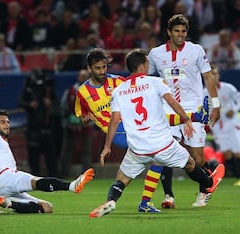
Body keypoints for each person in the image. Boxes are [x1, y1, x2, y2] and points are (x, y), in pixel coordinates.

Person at [88, 49, 225, 218]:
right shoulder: (155, 82)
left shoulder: (118, 91)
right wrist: (187, 119)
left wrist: (107, 147)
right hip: (163, 145)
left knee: (121, 179)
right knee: (190, 163)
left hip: (138, 148)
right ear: (143, 65)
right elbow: (171, 101)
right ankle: (209, 183)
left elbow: (114, 120)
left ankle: (112, 200)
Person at [147, 14, 221, 208]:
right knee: (164, 153)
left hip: (193, 109)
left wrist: (216, 105)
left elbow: (208, 76)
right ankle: (169, 196)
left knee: (197, 157)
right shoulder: (155, 54)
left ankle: (205, 188)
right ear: (168, 32)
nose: (180, 35)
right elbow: (145, 78)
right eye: (177, 31)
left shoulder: (196, 50)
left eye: (184, 31)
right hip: (167, 110)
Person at [0, 109, 94, 214]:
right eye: (3, 122)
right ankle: (72, 186)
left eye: (8, 122)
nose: (7, 125)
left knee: (47, 207)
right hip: (5, 177)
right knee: (36, 181)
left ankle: (9, 204)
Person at [205, 65, 240, 186]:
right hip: (217, 127)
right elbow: (204, 108)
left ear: (219, 75)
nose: (214, 76)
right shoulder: (204, 92)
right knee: (227, 153)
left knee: (237, 152)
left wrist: (235, 109)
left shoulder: (228, 88)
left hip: (232, 123)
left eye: (215, 73)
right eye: (211, 74)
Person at [18, 69, 62, 176]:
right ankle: (34, 178)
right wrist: (30, 104)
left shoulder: (49, 90)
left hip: (48, 126)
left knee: (51, 156)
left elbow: (57, 104)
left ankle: (53, 177)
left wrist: (49, 103)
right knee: (33, 156)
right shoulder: (28, 89)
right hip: (33, 127)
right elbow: (20, 102)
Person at [60, 69, 93, 178]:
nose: (83, 78)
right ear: (78, 77)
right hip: (71, 125)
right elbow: (63, 107)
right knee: (67, 150)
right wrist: (67, 122)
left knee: (87, 151)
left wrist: (90, 121)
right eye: (82, 76)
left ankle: (87, 175)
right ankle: (64, 173)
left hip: (86, 125)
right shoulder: (70, 91)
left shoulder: (93, 92)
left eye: (86, 76)